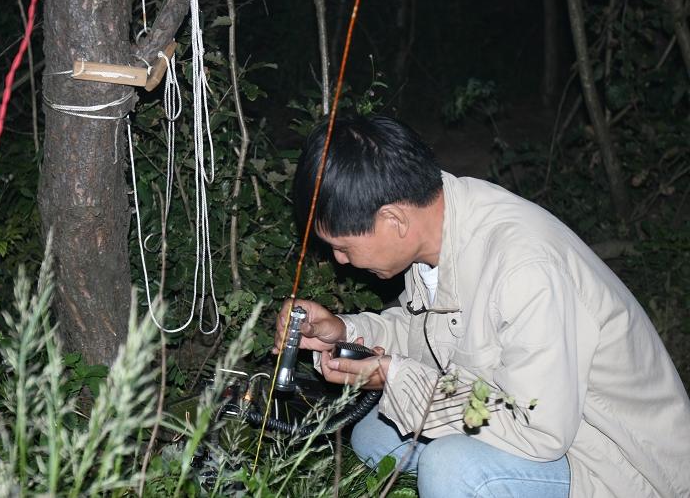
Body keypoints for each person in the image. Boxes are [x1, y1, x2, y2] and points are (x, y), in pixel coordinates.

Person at [274, 115, 690, 497]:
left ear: (393, 221)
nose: (340, 261)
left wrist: (395, 378)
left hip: (613, 463)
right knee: (376, 436)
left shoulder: (526, 268)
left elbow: (538, 430)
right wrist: (344, 332)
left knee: (451, 468)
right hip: (544, 423)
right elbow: (428, 332)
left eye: (343, 247)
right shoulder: (444, 223)